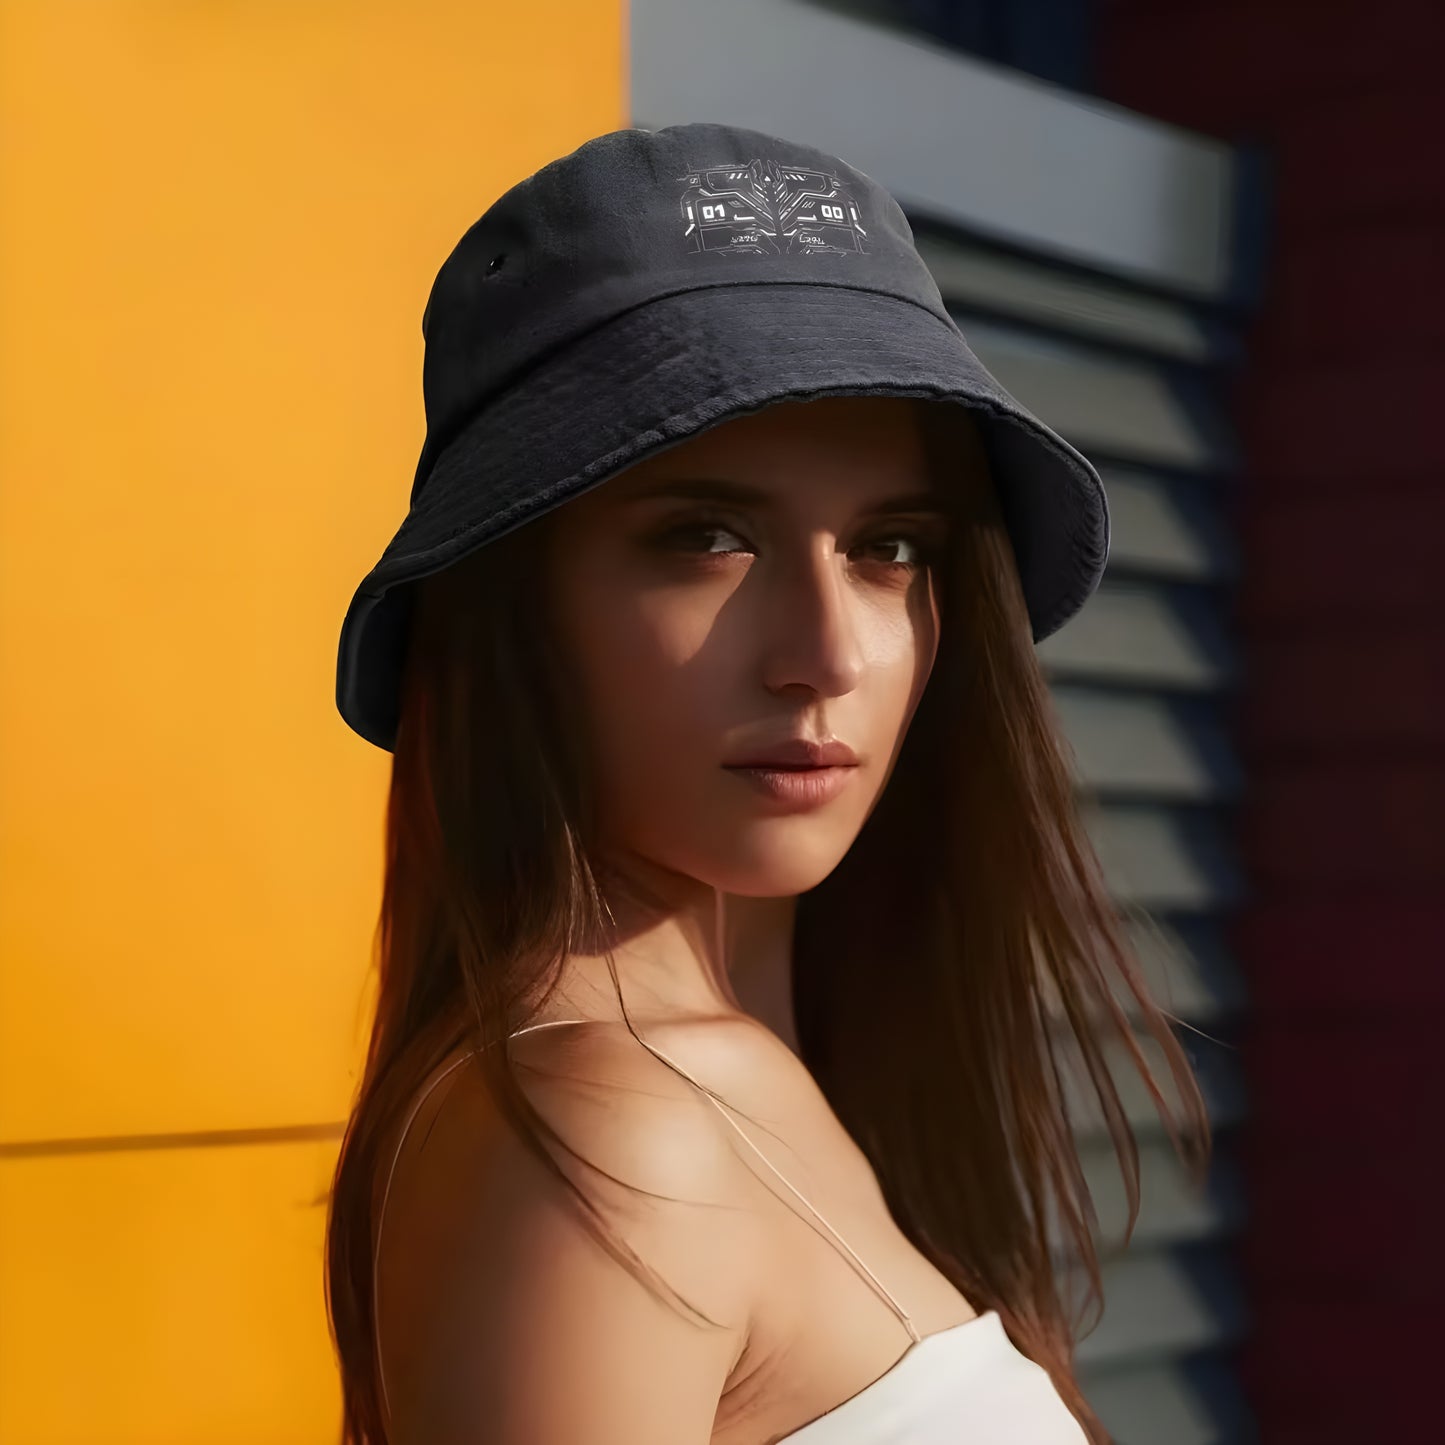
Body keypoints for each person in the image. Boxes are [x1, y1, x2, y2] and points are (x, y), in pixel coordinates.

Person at [324, 123, 1212, 1445]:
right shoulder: (615, 1143)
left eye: (889, 544)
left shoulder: (786, 1077)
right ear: (510, 605)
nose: (827, 654)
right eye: (706, 536)